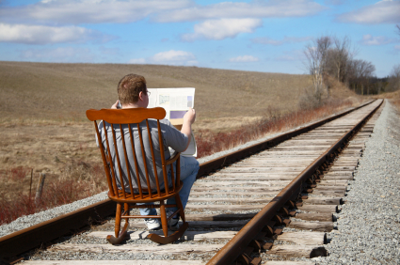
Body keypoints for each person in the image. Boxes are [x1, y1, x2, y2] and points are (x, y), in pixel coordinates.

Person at [103, 73, 199, 230]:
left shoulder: (104, 125)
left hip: (123, 184)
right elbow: (182, 145)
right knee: (193, 165)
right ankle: (172, 216)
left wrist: (112, 112)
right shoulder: (157, 122)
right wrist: (187, 121)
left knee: (135, 166)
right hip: (158, 183)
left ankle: (150, 219)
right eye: (147, 93)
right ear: (141, 95)